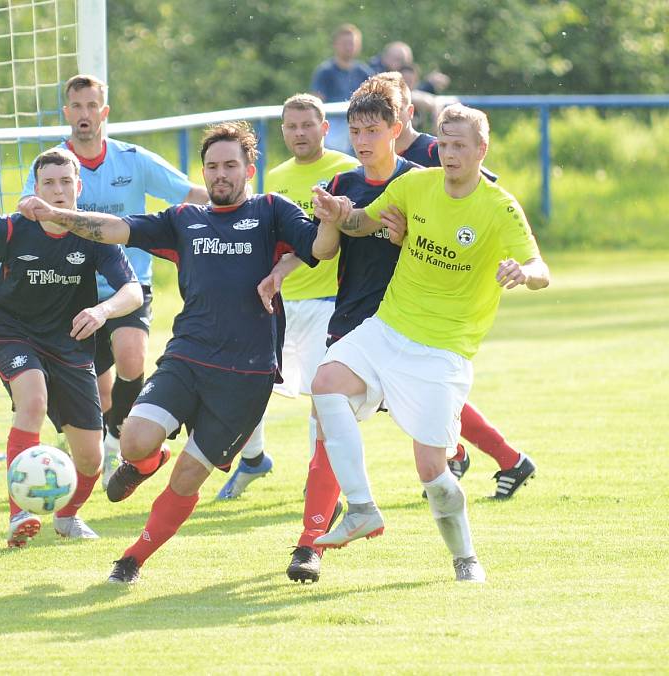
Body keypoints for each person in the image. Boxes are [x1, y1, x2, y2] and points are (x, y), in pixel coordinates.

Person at [18, 121, 340, 585]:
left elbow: (322, 249)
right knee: (132, 440)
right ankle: (145, 463)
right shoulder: (183, 220)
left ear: (250, 167)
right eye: (212, 166)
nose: (220, 174)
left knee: (189, 477)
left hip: (246, 376)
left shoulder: (272, 211)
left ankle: (132, 558)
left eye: (231, 165)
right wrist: (58, 215)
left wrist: (328, 220)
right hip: (187, 358)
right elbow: (116, 228)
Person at [308, 103, 550, 583]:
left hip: (443, 350)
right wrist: (339, 213)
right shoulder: (415, 183)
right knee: (325, 383)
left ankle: (466, 558)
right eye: (444, 143)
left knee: (432, 472)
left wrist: (523, 272)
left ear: (482, 149)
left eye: (461, 145)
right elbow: (365, 223)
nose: (450, 152)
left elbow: (541, 267)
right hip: (388, 327)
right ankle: (361, 508)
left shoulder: (498, 206)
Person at [0, 148, 143, 548]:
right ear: (37, 188)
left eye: (65, 182)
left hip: (71, 345)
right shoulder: (12, 228)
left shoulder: (93, 234)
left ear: (78, 186)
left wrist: (102, 309)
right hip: (12, 333)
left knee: (92, 458)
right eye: (49, 183)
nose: (58, 190)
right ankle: (19, 513)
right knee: (34, 401)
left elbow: (132, 292)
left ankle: (68, 516)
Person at [20, 74, 208, 491]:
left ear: (104, 112)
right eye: (76, 106)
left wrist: (238, 201)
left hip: (127, 285)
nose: (84, 114)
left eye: (92, 106)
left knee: (132, 357)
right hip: (71, 292)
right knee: (99, 396)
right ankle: (94, 443)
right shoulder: (55, 164)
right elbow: (26, 202)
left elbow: (186, 191)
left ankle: (121, 444)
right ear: (66, 112)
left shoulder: (133, 159)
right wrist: (31, 208)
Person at [270, 77, 417, 582]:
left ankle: (465, 556)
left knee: (434, 453)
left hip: (409, 328)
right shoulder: (341, 184)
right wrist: (330, 217)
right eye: (355, 130)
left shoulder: (419, 183)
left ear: (396, 129)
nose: (362, 139)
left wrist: (403, 236)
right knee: (328, 426)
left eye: (372, 129)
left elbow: (438, 251)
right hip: (352, 323)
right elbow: (326, 251)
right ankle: (310, 544)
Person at [377, 71, 534, 499]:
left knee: (409, 388)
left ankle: (471, 454)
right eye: (363, 122)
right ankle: (475, 454)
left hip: (433, 298)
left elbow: (481, 195)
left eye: (383, 115)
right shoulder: (367, 156)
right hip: (388, 284)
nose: (371, 130)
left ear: (404, 114)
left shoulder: (428, 150)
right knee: (395, 388)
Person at [215, 93, 358, 501]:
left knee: (322, 396)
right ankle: (254, 459)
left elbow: (327, 240)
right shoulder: (275, 178)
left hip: (329, 301)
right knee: (249, 386)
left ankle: (321, 480)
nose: (299, 133)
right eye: (292, 126)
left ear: (324, 128)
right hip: (278, 304)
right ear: (282, 131)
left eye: (307, 125)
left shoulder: (346, 171)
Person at [310, 24, 374, 156]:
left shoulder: (363, 72)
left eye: (352, 43)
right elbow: (316, 105)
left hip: (359, 129)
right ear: (335, 45)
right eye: (345, 43)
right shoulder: (325, 72)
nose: (349, 47)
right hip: (333, 134)